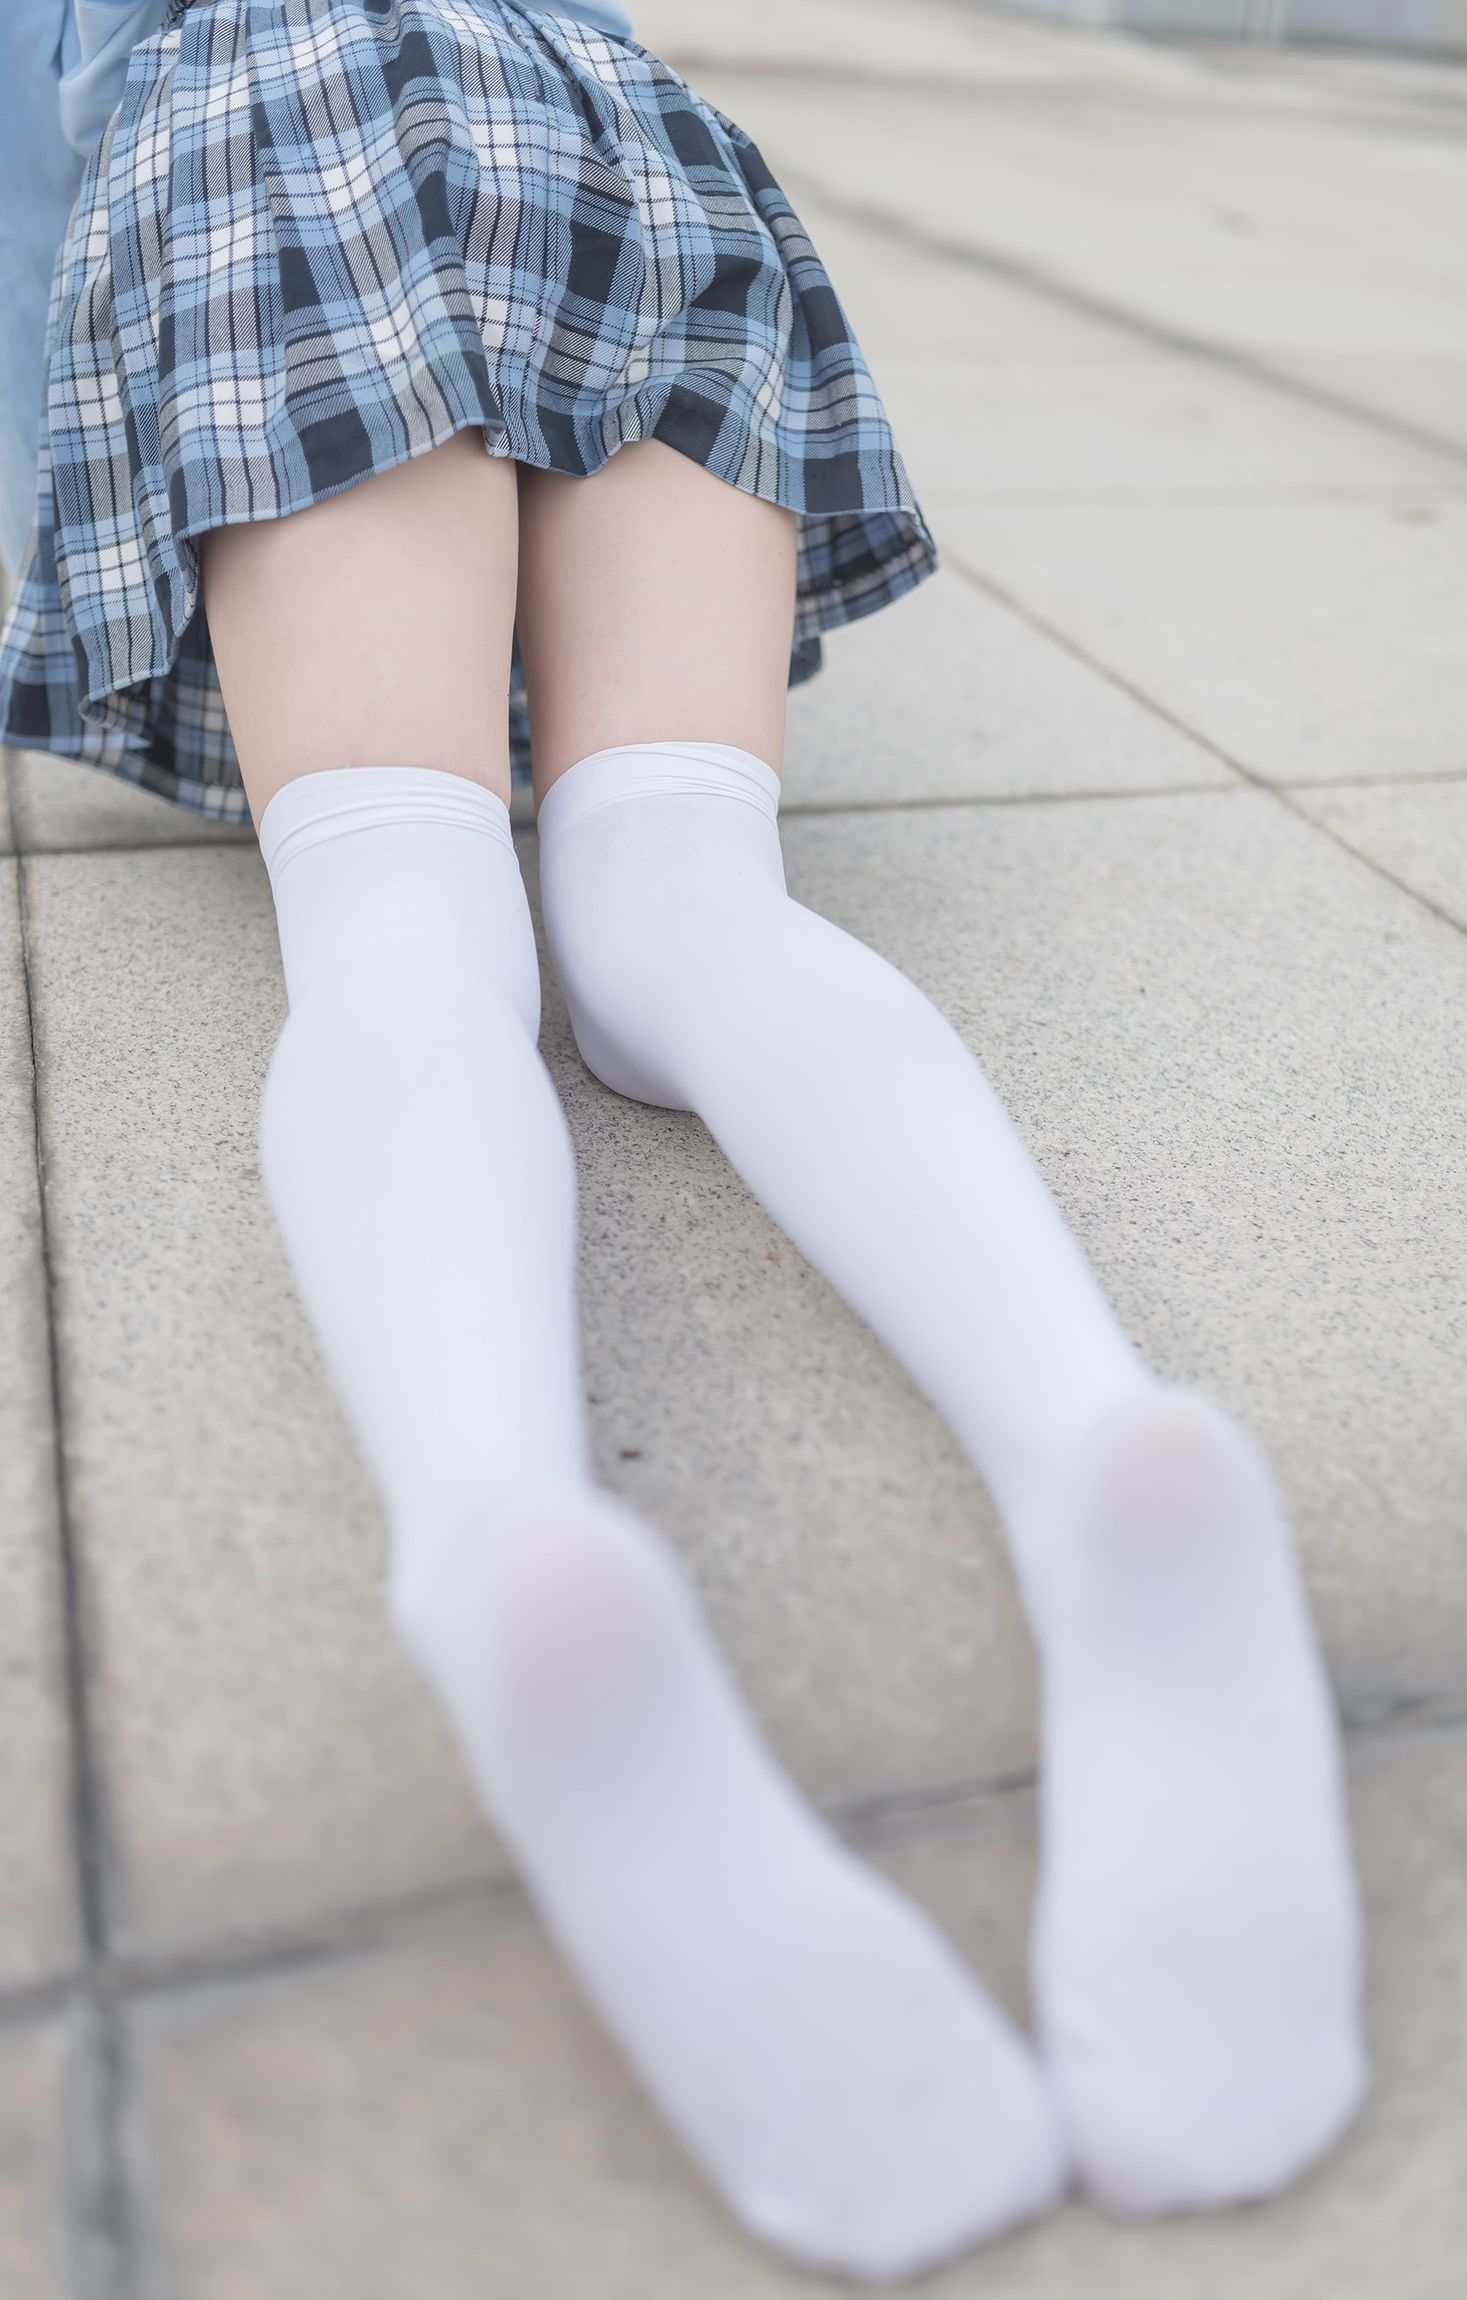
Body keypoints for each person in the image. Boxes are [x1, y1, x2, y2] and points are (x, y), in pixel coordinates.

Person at [0, 1, 1368, 2280]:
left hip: (251, 106)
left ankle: (501, 1531)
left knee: (404, 924)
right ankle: (1091, 1434)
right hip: (607, 119)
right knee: (681, 905)